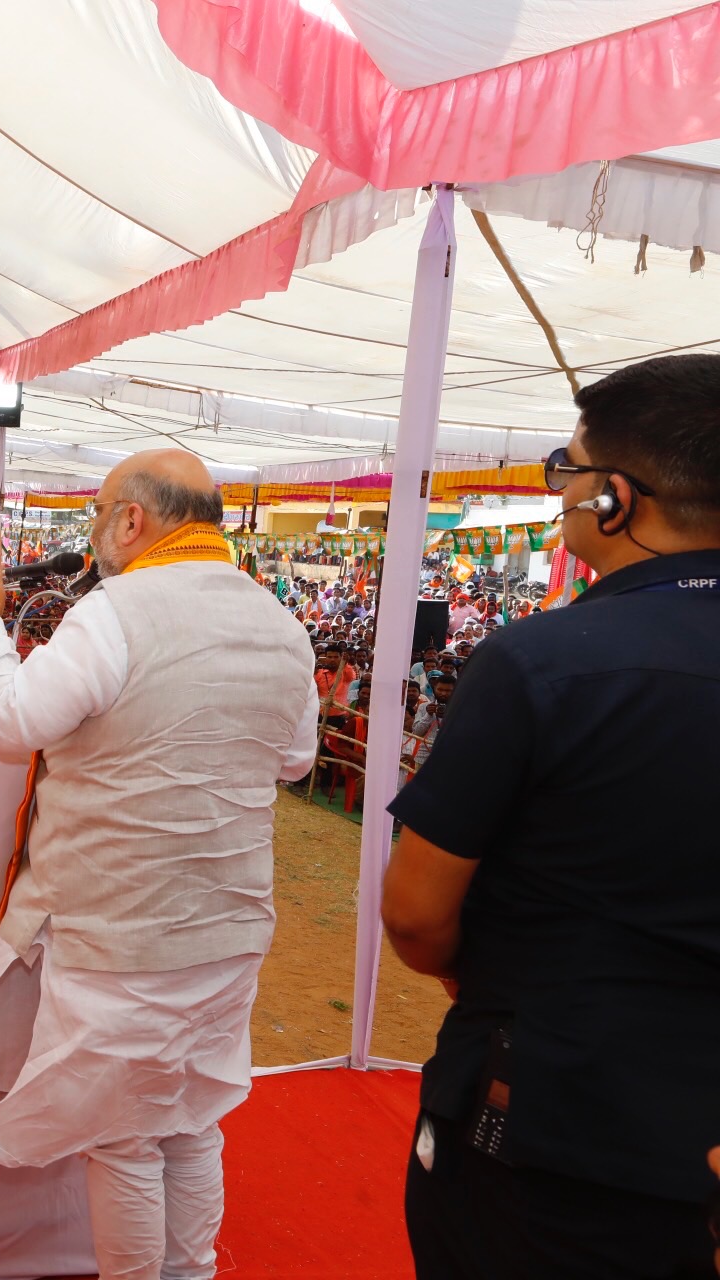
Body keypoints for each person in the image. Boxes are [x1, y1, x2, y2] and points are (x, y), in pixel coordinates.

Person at [0, 449, 318, 1280]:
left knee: (126, 1137)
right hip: (227, 923)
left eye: (99, 514)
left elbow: (13, 722)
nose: (93, 534)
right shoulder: (281, 623)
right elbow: (296, 758)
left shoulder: (116, 611)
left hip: (122, 928)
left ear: (132, 520)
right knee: (192, 1120)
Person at [382, 354, 720, 1279]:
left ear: (615, 499)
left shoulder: (545, 661)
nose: (561, 495)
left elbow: (415, 910)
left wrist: (480, 974)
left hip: (550, 1124)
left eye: (565, 472)